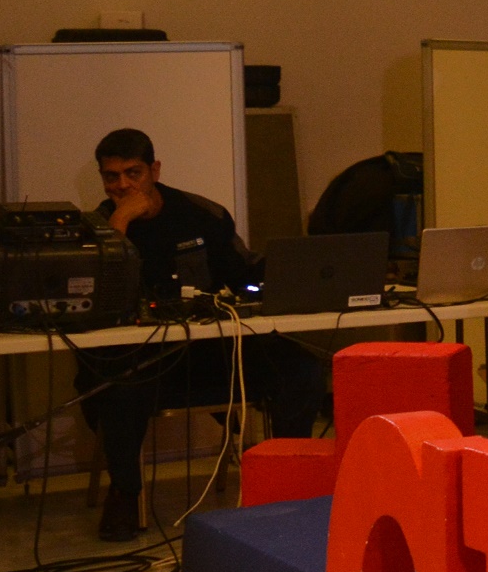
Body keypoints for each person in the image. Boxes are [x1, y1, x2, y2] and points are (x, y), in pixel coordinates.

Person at [75, 129, 326, 541]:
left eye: (132, 173)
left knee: (300, 370)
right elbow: (97, 295)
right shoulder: (98, 227)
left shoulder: (200, 214)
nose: (122, 185)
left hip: (215, 352)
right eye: (111, 176)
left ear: (154, 170)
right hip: (142, 361)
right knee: (116, 388)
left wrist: (284, 281)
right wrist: (118, 224)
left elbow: (245, 273)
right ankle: (124, 491)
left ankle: (286, 481)